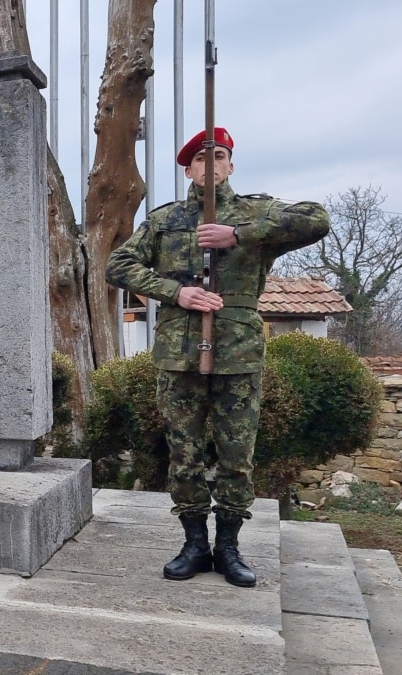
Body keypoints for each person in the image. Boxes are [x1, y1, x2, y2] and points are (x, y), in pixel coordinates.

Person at [105, 128, 329, 588]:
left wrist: (239, 235)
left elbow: (316, 219)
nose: (211, 164)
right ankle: (194, 543)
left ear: (231, 166)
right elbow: (119, 265)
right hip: (178, 354)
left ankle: (229, 545)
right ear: (189, 170)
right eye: (201, 159)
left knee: (236, 456)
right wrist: (177, 292)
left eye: (220, 156)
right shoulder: (165, 220)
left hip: (238, 354)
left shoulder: (256, 213)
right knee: (183, 454)